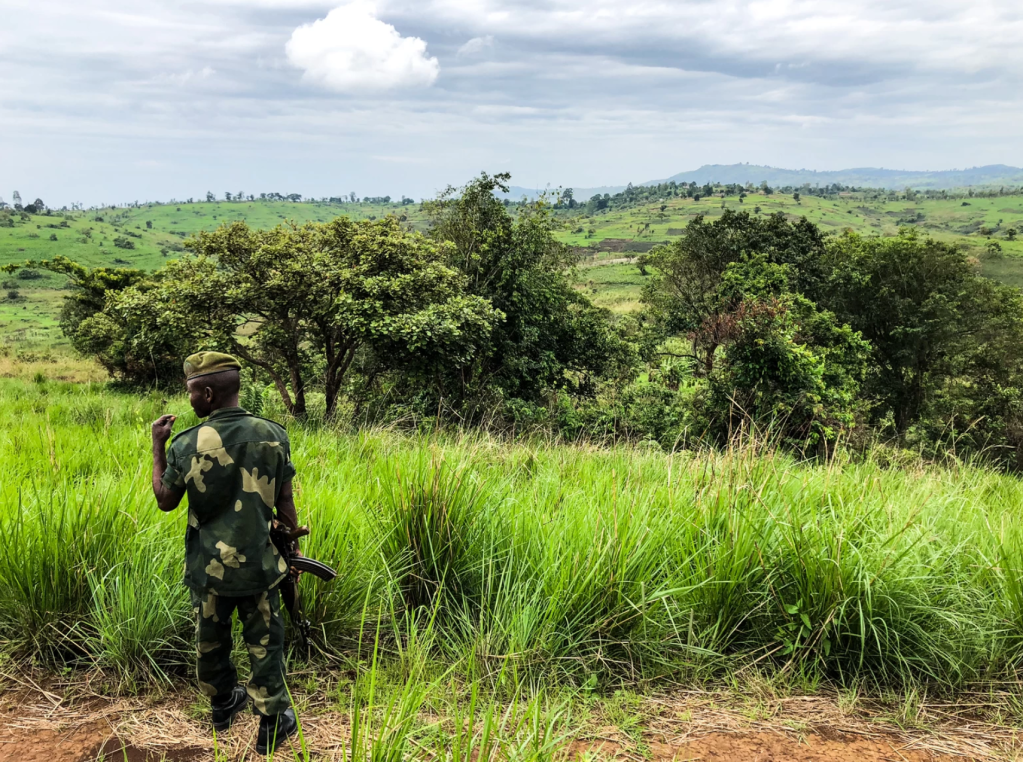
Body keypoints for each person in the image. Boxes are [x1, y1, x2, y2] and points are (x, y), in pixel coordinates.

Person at [151, 351, 302, 756]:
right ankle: (272, 724)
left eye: (191, 392)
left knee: (211, 639)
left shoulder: (186, 444)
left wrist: (157, 446)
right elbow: (285, 499)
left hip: (209, 567)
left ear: (207, 393)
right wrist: (294, 547)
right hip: (260, 563)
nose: (189, 400)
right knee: (265, 641)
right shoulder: (273, 434)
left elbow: (166, 500)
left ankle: (222, 707)